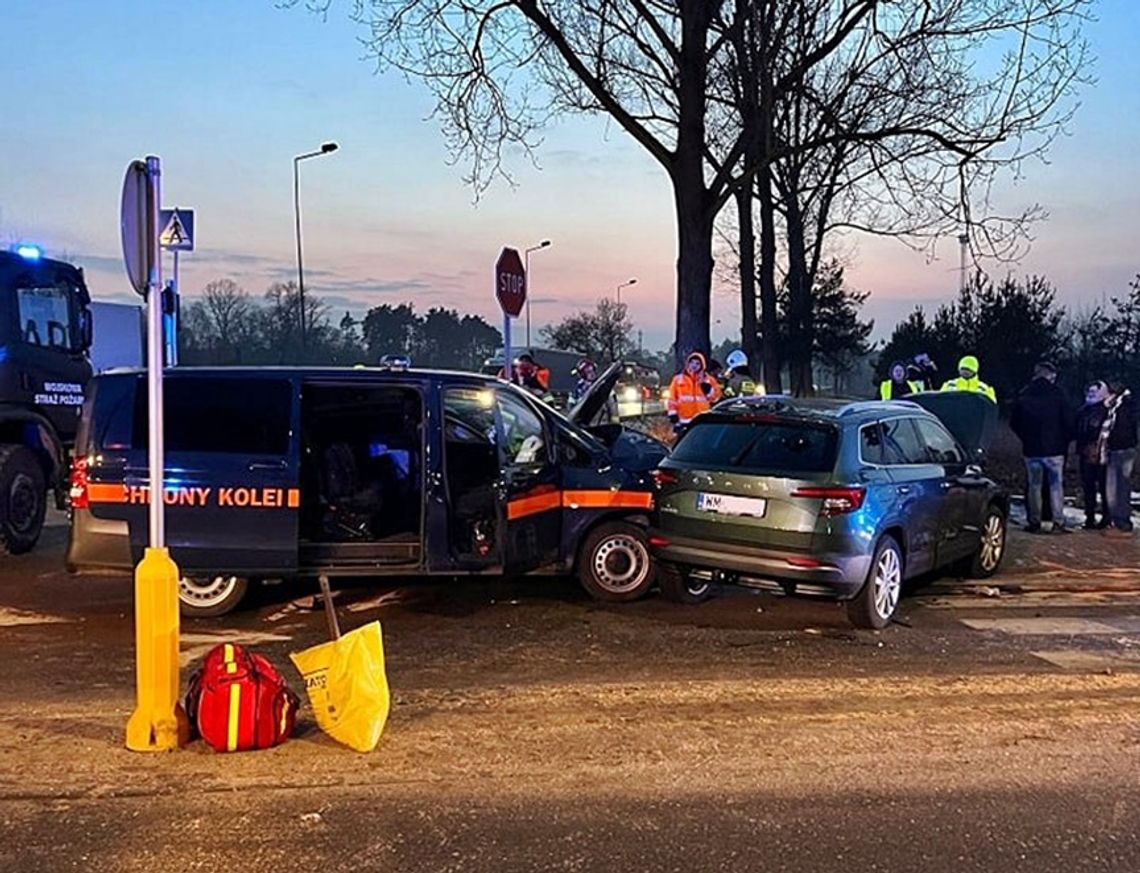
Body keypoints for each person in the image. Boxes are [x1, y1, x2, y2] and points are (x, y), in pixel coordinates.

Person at [1010, 360, 1074, 534]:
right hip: (1055, 449)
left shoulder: (1024, 393)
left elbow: (1014, 422)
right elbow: (1068, 422)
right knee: (1056, 485)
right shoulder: (1059, 394)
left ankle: (1034, 521)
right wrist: (1064, 441)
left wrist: (1026, 438)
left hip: (1031, 449)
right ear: (1050, 375)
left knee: (1034, 485)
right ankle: (1058, 522)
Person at [1099, 383, 1137, 538]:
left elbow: (1123, 429)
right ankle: (1119, 522)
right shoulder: (1119, 406)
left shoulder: (1124, 406)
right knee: (1115, 488)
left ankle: (1122, 523)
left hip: (1122, 450)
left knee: (1118, 488)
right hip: (1119, 449)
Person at [1075, 381, 1110, 530]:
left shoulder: (1107, 410)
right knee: (1088, 486)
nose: (1090, 395)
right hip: (1085, 453)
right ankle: (1090, 516)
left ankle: (1106, 517)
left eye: (1094, 392)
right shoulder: (1083, 410)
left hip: (1102, 454)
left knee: (1103, 487)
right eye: (1089, 392)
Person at [667, 351, 720, 435]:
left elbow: (715, 398)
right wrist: (673, 415)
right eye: (691, 362)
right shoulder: (678, 379)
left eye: (697, 363)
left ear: (702, 366)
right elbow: (672, 399)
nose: (694, 365)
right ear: (688, 364)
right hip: (683, 420)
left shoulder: (709, 380)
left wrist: (708, 389)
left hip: (702, 420)